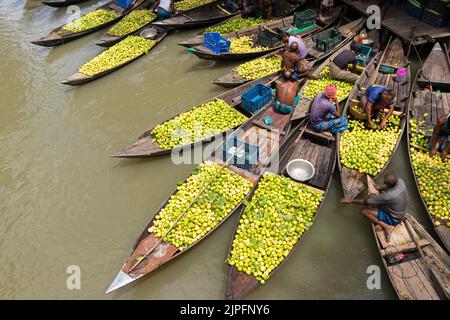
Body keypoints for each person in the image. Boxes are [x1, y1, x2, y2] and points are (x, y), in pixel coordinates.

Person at [341, 171, 408, 242]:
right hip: (399, 213)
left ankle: (387, 227)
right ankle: (382, 223)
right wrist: (380, 189)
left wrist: (351, 200)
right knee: (372, 196)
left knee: (364, 211)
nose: (384, 183)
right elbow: (388, 187)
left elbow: (366, 202)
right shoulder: (400, 182)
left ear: (387, 184)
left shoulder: (388, 196)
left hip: (394, 219)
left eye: (385, 182)